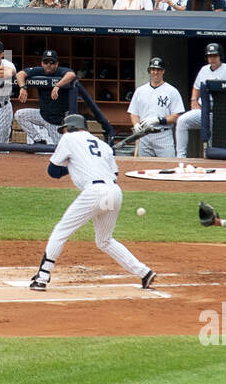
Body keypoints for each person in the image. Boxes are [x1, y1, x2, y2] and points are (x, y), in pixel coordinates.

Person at [30, 111, 156, 292]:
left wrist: (71, 167)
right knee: (104, 241)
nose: (63, 132)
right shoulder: (103, 145)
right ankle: (144, 272)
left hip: (95, 192)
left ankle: (42, 277)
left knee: (61, 231)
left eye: (64, 129)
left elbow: (53, 171)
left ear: (70, 127)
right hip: (114, 192)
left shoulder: (69, 138)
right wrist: (78, 165)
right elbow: (115, 174)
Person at [175, 43, 226, 159]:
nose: (212, 58)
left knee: (213, 145)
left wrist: (218, 83)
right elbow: (196, 87)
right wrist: (193, 100)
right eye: (210, 56)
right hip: (204, 110)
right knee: (182, 121)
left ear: (220, 56)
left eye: (215, 55)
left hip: (220, 112)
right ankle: (180, 157)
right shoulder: (204, 70)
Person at [13, 49, 76, 144]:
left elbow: (71, 75)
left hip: (56, 122)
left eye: (52, 62)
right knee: (20, 114)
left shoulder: (60, 71)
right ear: (42, 63)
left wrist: (57, 85)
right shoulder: (39, 70)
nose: (48, 65)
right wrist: (23, 87)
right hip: (42, 115)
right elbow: (20, 74)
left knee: (59, 148)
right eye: (46, 62)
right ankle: (38, 140)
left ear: (56, 64)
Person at [127, 57, 185, 158]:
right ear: (149, 71)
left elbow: (177, 116)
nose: (155, 72)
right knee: (144, 166)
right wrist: (136, 124)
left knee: (167, 166)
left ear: (163, 71)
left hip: (163, 134)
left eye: (158, 70)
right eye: (153, 69)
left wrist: (158, 120)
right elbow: (133, 113)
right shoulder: (140, 91)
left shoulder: (172, 91)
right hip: (144, 135)